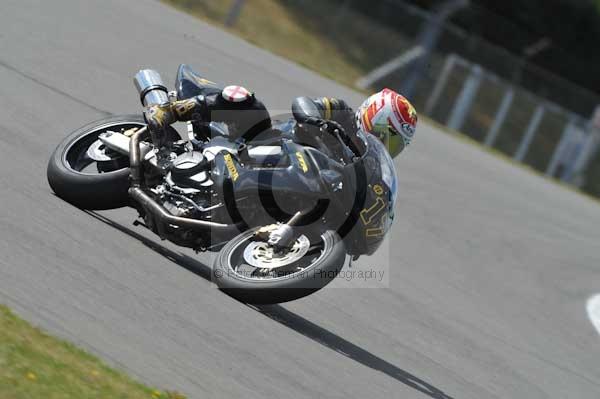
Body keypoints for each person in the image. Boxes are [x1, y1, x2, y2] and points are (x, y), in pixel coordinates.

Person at [144, 82, 417, 159]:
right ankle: (169, 110)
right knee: (248, 102)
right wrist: (316, 121)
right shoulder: (343, 113)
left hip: (294, 181)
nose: (387, 145)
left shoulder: (365, 162)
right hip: (268, 142)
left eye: (396, 145)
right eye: (387, 134)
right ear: (373, 115)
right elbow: (303, 103)